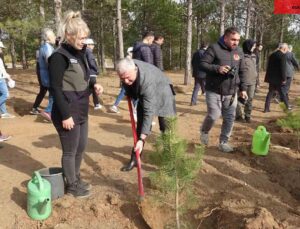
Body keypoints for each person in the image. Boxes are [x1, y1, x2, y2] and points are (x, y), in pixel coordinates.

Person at [49, 11, 103, 198]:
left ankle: (76, 177)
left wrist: (94, 85)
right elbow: (55, 88)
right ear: (69, 36)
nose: (85, 41)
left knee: (81, 148)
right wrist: (65, 116)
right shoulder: (58, 56)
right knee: (70, 151)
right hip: (67, 112)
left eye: (86, 37)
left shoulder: (80, 53)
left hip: (81, 109)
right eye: (81, 38)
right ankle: (71, 185)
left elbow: (82, 79)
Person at [117, 58, 176, 171]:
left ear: (135, 70)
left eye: (128, 78)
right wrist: (129, 90)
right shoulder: (127, 67)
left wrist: (142, 138)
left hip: (164, 94)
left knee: (166, 130)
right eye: (122, 78)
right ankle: (135, 159)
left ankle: (170, 164)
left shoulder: (147, 81)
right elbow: (126, 82)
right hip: (145, 95)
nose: (125, 82)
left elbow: (148, 113)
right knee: (140, 127)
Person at [199, 27, 248, 153]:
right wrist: (218, 68)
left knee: (230, 118)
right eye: (233, 39)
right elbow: (203, 64)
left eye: (237, 40)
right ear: (225, 38)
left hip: (231, 92)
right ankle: (204, 131)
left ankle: (223, 142)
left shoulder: (240, 51)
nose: (236, 42)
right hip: (214, 90)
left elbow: (242, 71)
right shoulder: (214, 48)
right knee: (214, 114)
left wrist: (243, 89)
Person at [36, 28, 56, 121]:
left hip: (44, 74)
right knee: (55, 93)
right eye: (53, 35)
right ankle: (48, 111)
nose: (55, 37)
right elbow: (50, 61)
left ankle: (50, 112)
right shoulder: (48, 48)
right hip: (49, 74)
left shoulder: (43, 47)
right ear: (48, 37)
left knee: (52, 93)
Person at [264, 43, 290, 112]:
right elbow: (283, 68)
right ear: (284, 48)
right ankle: (288, 107)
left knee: (270, 93)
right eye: (287, 49)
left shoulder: (272, 54)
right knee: (283, 93)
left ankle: (266, 108)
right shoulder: (282, 56)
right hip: (279, 79)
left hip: (271, 78)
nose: (287, 51)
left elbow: (269, 67)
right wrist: (284, 78)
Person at [235, 39, 257, 123]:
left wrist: (257, 80)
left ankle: (248, 115)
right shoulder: (241, 56)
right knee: (241, 99)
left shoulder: (254, 56)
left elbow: (255, 69)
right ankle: (239, 115)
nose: (254, 47)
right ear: (248, 46)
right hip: (243, 82)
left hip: (252, 82)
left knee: (250, 99)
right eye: (253, 45)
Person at [110, 47, 135, 114]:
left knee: (123, 92)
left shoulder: (129, 59)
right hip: (127, 80)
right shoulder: (128, 60)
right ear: (129, 52)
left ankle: (115, 106)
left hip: (126, 80)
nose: (133, 53)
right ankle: (135, 110)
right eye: (132, 52)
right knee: (129, 93)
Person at [84, 38, 102, 110]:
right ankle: (96, 104)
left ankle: (96, 104)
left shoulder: (84, 52)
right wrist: (96, 69)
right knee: (93, 89)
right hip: (91, 73)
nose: (93, 46)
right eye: (92, 44)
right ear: (88, 45)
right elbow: (91, 62)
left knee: (92, 89)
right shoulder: (89, 52)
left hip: (88, 73)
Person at [0, 41, 15, 119]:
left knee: (1, 95)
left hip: (1, 78)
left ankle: (4, 113)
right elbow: (1, 71)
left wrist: (7, 76)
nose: (2, 50)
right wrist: (8, 78)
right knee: (5, 94)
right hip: (0, 79)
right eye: (1, 48)